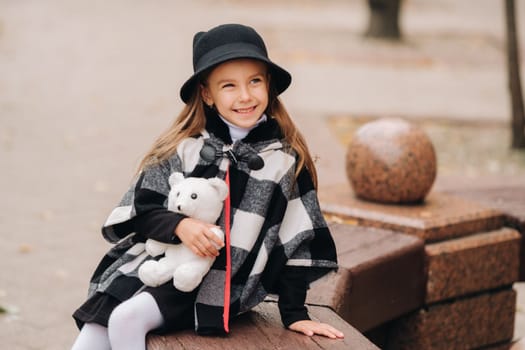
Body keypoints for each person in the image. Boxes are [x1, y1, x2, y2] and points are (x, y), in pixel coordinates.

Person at [71, 23, 343, 350]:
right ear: (207, 93)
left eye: (254, 81)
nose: (245, 96)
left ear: (269, 85)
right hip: (157, 263)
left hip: (216, 283)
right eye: (228, 85)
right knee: (92, 334)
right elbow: (142, 210)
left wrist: (295, 312)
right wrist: (180, 226)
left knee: (126, 319)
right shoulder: (185, 146)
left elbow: (297, 240)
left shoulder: (284, 162)